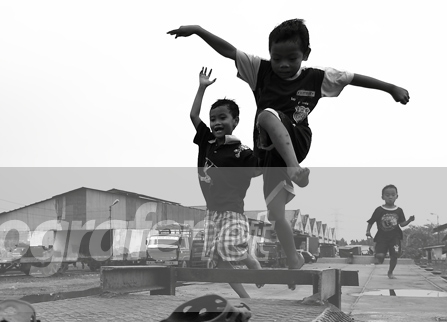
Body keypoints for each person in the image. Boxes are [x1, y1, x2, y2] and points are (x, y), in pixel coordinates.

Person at [167, 20, 409, 271]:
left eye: (292, 58)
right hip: (269, 155)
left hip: (296, 141)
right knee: (275, 214)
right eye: (277, 58)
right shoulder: (260, 70)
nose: (283, 65)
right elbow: (229, 51)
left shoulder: (317, 77)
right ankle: (294, 258)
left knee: (266, 114)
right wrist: (198, 30)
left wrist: (390, 88)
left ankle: (295, 168)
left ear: (306, 54)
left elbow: (352, 78)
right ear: (269, 54)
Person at [190, 67, 263, 298]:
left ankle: (251, 261)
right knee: (216, 259)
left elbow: (259, 169)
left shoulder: (242, 152)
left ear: (235, 121)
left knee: (226, 247)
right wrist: (202, 87)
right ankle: (245, 297)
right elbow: (194, 116)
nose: (216, 122)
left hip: (232, 211)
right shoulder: (207, 141)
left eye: (222, 118)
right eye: (213, 119)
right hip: (212, 212)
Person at [366, 184, 414, 279]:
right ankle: (377, 254)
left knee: (395, 255)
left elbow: (402, 224)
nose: (390, 197)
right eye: (387, 195)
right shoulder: (379, 210)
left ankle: (390, 272)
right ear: (382, 197)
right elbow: (371, 221)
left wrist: (409, 220)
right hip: (382, 237)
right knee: (380, 255)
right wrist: (368, 231)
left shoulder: (399, 210)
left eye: (393, 195)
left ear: (397, 196)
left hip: (395, 237)